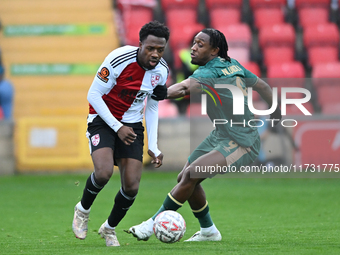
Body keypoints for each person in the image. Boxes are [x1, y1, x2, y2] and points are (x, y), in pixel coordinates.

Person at [127, 28, 281, 242]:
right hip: (222, 135)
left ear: (214, 50)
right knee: (186, 178)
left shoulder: (208, 72)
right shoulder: (232, 64)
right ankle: (208, 230)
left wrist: (159, 92)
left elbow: (182, 89)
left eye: (200, 44)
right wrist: (277, 117)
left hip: (242, 142)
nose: (193, 48)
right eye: (194, 43)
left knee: (191, 174)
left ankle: (151, 223)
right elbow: (263, 86)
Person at [72, 20, 170, 247]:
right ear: (140, 44)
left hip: (133, 125)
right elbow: (93, 95)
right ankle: (83, 210)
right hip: (103, 120)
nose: (155, 54)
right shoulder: (118, 58)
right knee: (104, 172)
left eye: (160, 49)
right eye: (150, 48)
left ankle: (109, 228)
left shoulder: (161, 71)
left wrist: (153, 145)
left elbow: (153, 106)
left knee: (132, 185)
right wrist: (117, 127)